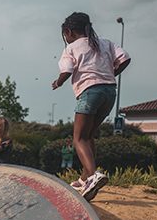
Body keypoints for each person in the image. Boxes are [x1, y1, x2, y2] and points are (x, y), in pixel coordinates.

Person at [51, 11, 131, 201]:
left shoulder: (71, 48)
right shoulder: (105, 43)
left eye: (65, 36)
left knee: (78, 138)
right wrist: (111, 73)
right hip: (110, 93)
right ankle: (85, 177)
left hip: (89, 93)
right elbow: (125, 58)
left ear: (68, 31)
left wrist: (58, 82)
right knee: (89, 135)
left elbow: (67, 69)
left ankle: (94, 175)